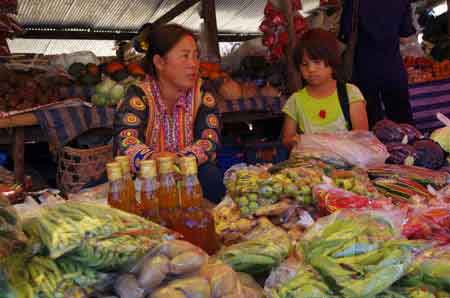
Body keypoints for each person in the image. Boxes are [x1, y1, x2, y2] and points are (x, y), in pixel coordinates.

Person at [114, 24, 225, 203]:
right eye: (185, 56)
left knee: (210, 176)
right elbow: (126, 138)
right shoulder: (139, 95)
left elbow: (209, 138)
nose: (194, 64)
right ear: (159, 62)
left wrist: (179, 160)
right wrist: (153, 159)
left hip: (188, 171)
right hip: (146, 177)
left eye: (196, 56)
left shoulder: (201, 93)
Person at [281, 29, 368, 150]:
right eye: (304, 64)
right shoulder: (295, 101)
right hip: (310, 168)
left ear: (332, 63)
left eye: (317, 62)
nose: (311, 69)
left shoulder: (351, 93)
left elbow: (362, 137)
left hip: (348, 167)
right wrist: (297, 140)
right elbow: (287, 140)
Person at [339, 0, 416, 127]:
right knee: (403, 123)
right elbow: (405, 34)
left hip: (364, 69)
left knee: (371, 124)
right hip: (393, 68)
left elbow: (345, 35)